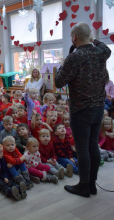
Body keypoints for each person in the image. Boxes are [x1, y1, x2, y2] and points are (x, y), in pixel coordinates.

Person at [55, 22, 111, 197]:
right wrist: (93, 39)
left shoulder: (75, 57)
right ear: (91, 38)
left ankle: (84, 186)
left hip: (81, 111)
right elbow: (104, 46)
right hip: (98, 109)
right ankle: (92, 184)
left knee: (82, 149)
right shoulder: (101, 52)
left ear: (73, 38)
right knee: (92, 146)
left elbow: (58, 81)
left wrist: (68, 56)